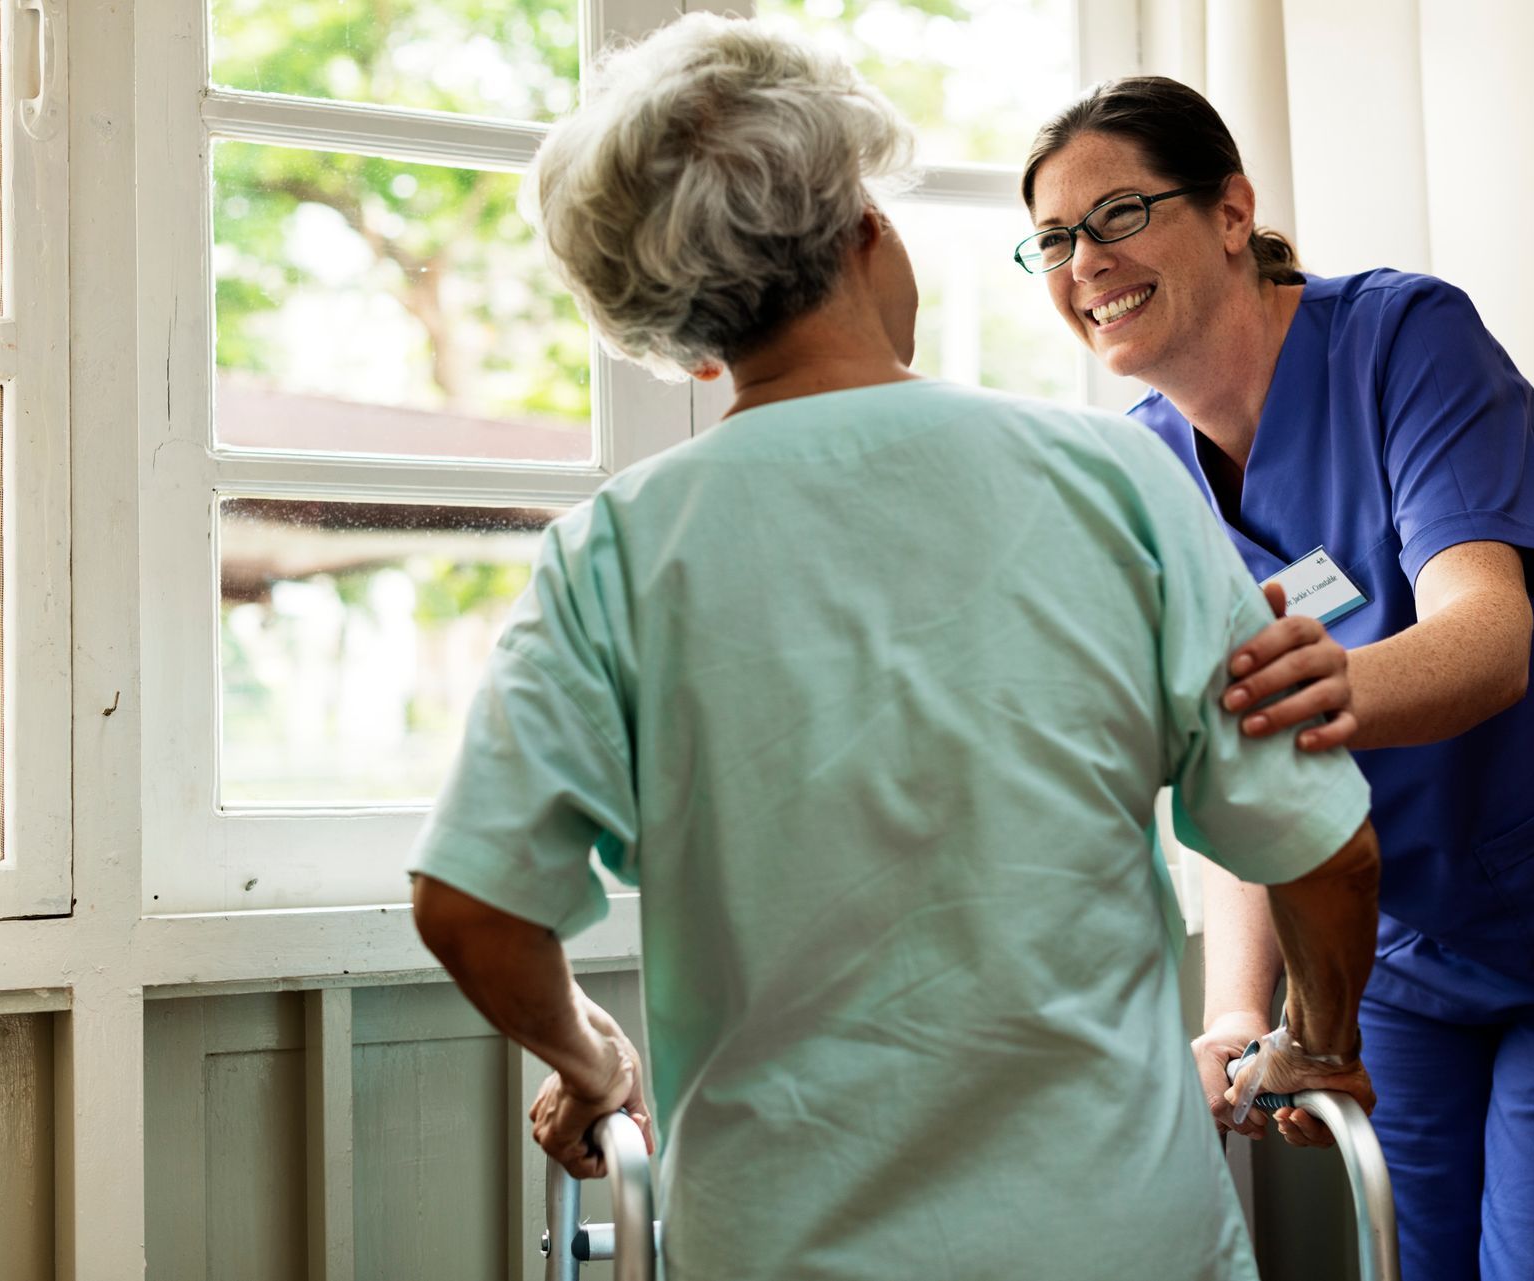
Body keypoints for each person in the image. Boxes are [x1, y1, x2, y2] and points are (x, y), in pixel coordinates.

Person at [409, 17, 1383, 1280]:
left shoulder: (616, 554)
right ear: (866, 228)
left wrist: (595, 1064)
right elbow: (1325, 852)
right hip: (1118, 1241)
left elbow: (470, 904)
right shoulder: (1113, 481)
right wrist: (1316, 1036)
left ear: (693, 342)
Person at [1019, 75, 1534, 1281]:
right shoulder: (1144, 476)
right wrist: (1235, 1007)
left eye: (1118, 214)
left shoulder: (1402, 338)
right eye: (1054, 239)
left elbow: (1488, 640)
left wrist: (1273, 708)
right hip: (1409, 949)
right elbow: (1236, 797)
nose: (1084, 260)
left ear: (1231, 211)